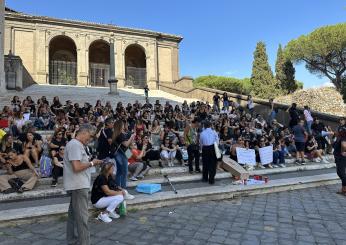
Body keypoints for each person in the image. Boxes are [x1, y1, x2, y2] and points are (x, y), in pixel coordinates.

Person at [63, 124, 103, 245]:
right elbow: (76, 167)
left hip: (77, 185)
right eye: (90, 136)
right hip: (78, 186)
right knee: (82, 218)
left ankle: (72, 240)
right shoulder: (75, 144)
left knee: (73, 216)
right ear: (84, 132)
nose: (90, 139)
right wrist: (92, 163)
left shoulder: (76, 144)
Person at [113, 120, 136, 189]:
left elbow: (127, 144)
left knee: (119, 172)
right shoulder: (120, 134)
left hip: (120, 153)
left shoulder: (117, 134)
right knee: (124, 172)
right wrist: (132, 137)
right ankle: (123, 189)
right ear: (120, 126)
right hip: (122, 154)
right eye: (123, 125)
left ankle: (118, 188)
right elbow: (126, 144)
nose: (124, 126)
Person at [334, 126, 346, 195]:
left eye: (338, 131)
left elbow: (344, 146)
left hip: (341, 158)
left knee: (341, 173)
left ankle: (344, 189)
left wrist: (343, 151)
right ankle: (344, 189)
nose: (337, 132)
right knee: (340, 173)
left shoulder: (343, 137)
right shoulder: (340, 137)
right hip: (339, 157)